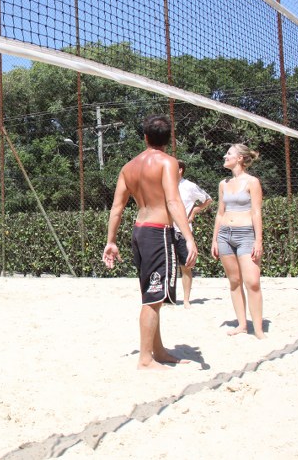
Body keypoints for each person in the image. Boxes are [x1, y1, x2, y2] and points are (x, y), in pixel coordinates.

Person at [102, 115, 198, 370]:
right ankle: (145, 359)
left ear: (145, 137)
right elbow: (173, 201)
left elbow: (117, 208)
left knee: (151, 294)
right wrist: (189, 238)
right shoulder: (168, 162)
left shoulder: (129, 167)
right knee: (153, 299)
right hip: (158, 233)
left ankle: (158, 350)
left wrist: (111, 241)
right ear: (169, 139)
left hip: (140, 231)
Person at [211, 144, 266, 339]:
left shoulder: (252, 182)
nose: (224, 156)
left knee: (253, 283)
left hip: (246, 235)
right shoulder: (223, 184)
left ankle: (258, 329)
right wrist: (214, 240)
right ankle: (242, 325)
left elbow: (256, 212)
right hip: (225, 235)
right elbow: (220, 213)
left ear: (240, 158)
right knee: (234, 282)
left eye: (229, 154)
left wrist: (258, 240)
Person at [175, 160, 212, 308]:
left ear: (180, 170)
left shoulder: (189, 186)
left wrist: (195, 210)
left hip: (183, 231)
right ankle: (167, 298)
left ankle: (186, 300)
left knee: (186, 265)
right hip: (166, 228)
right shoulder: (165, 184)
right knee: (166, 266)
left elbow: (208, 199)